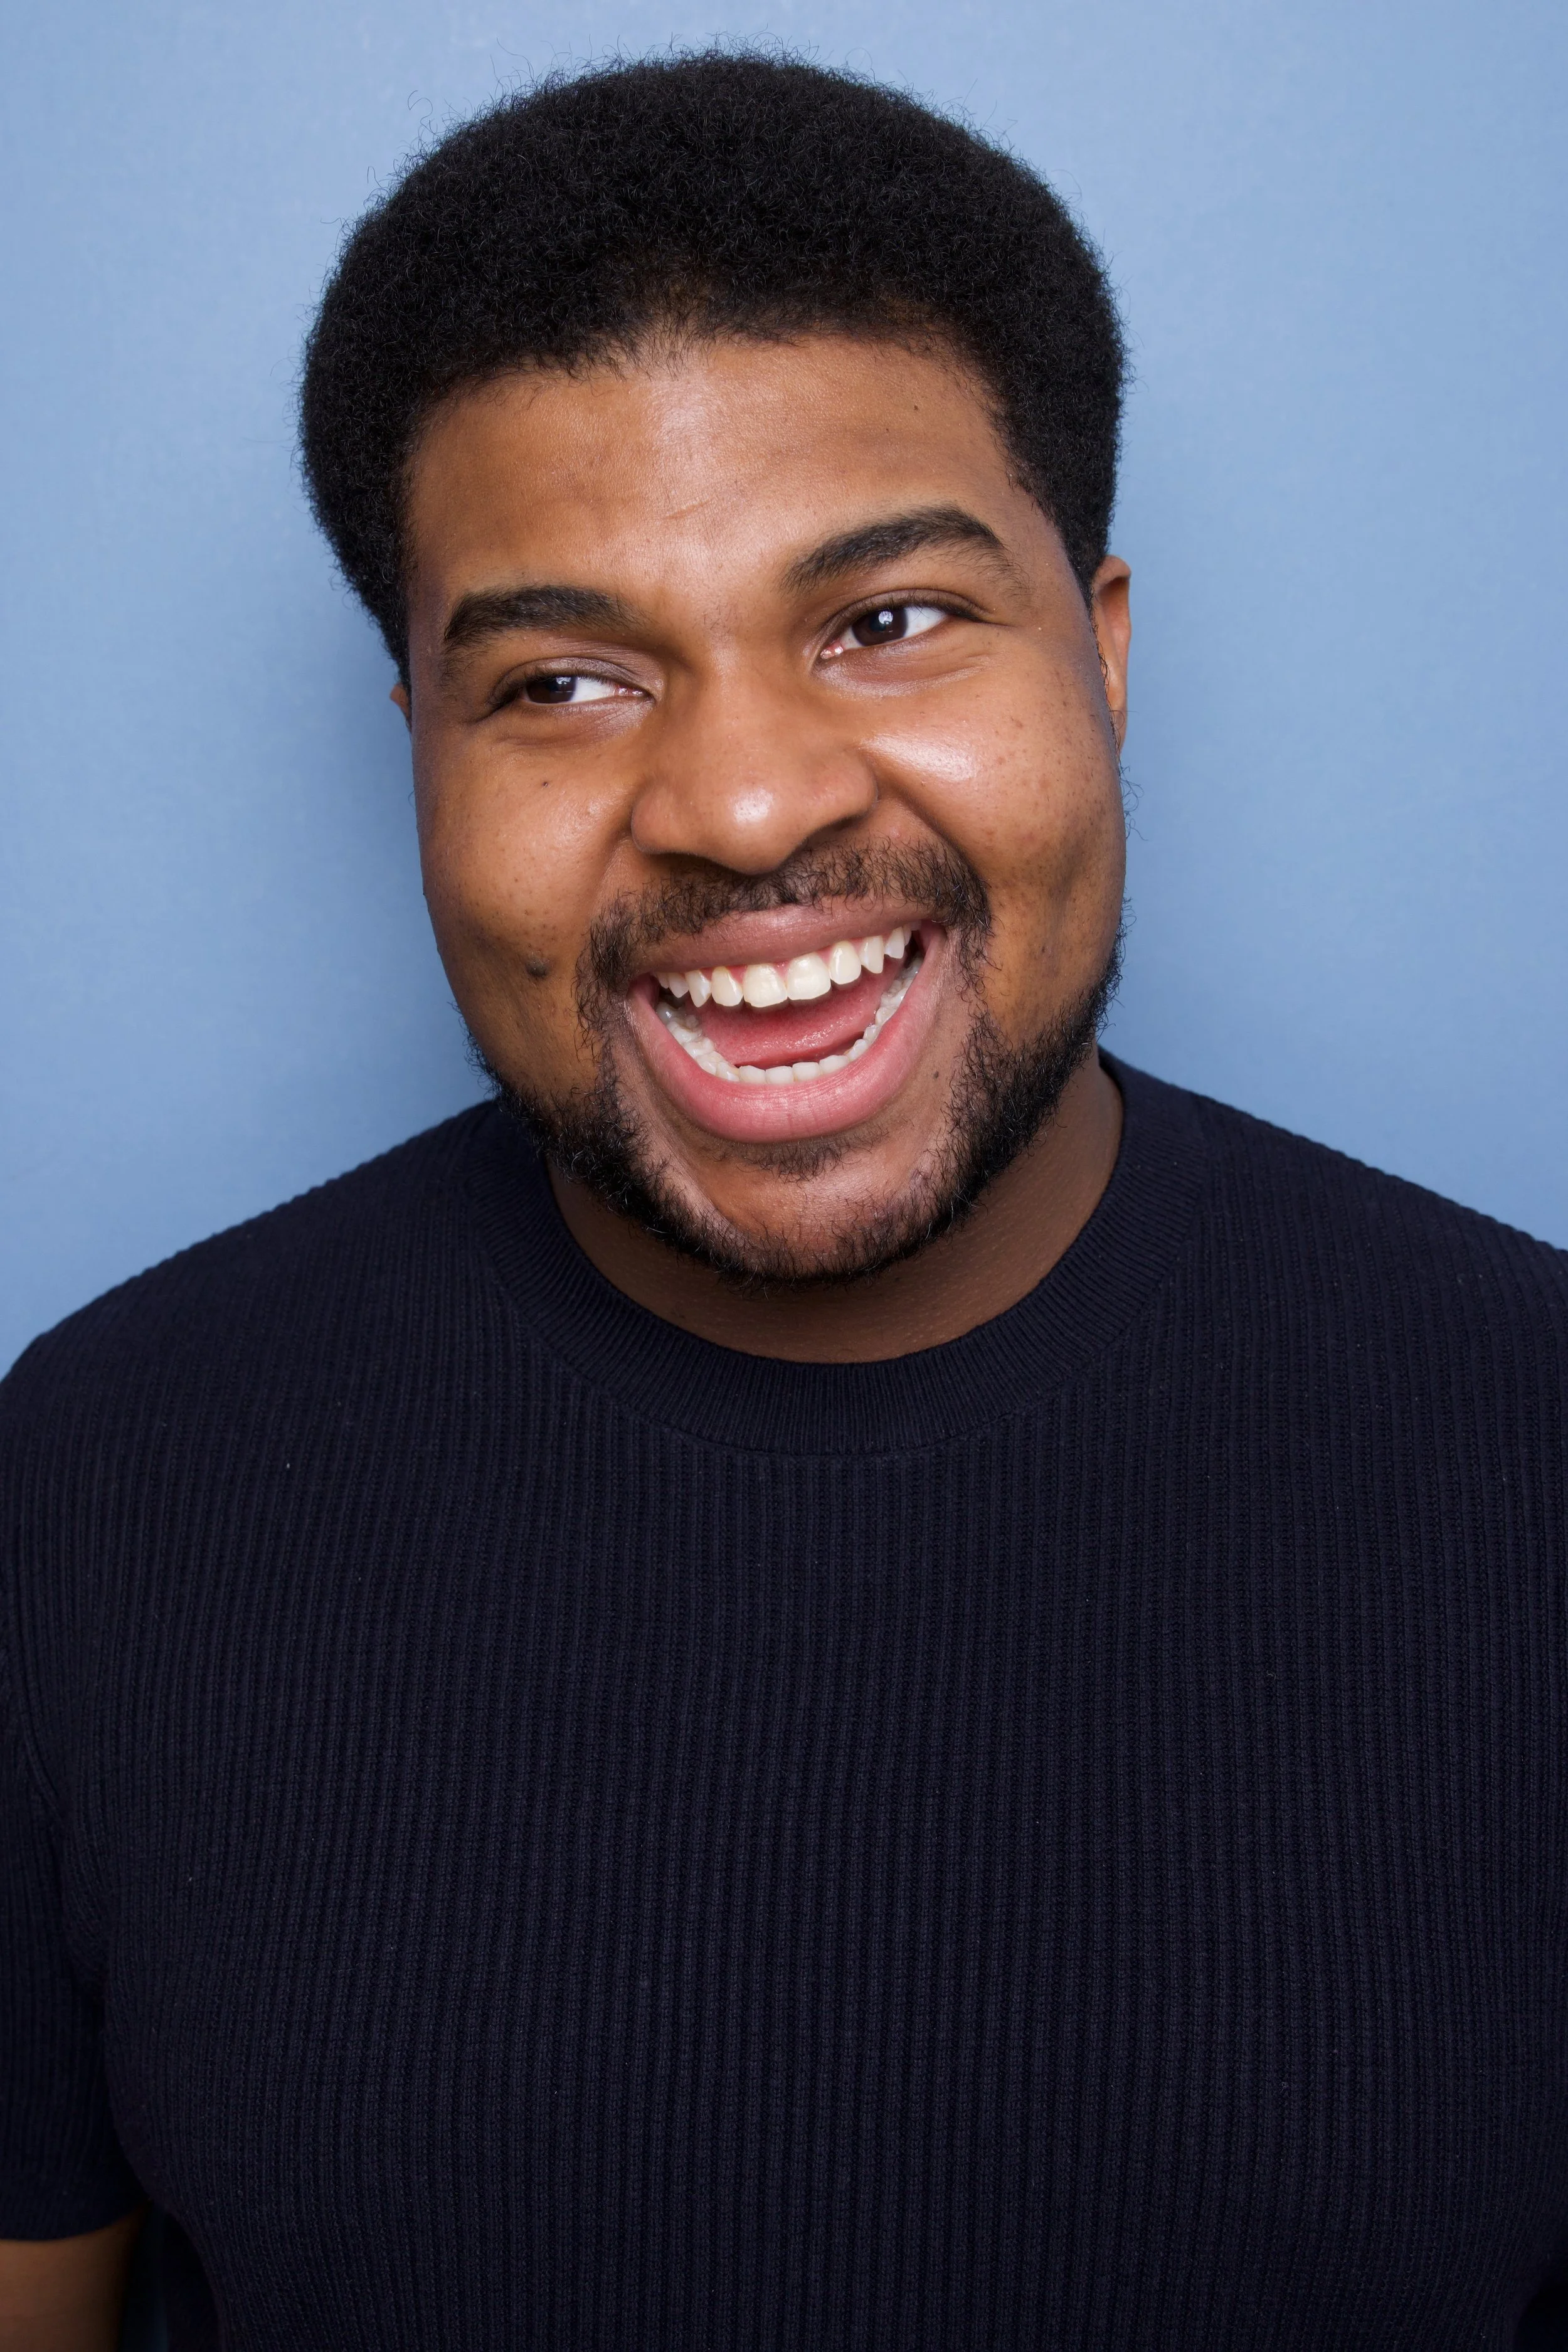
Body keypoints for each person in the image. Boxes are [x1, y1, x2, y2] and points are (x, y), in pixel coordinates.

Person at [2, 51, 1564, 2352]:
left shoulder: (1532, 1450)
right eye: (562, 677)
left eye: (891, 622)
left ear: (1103, 657)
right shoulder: (94, 1481)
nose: (737, 801)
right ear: (418, 752)